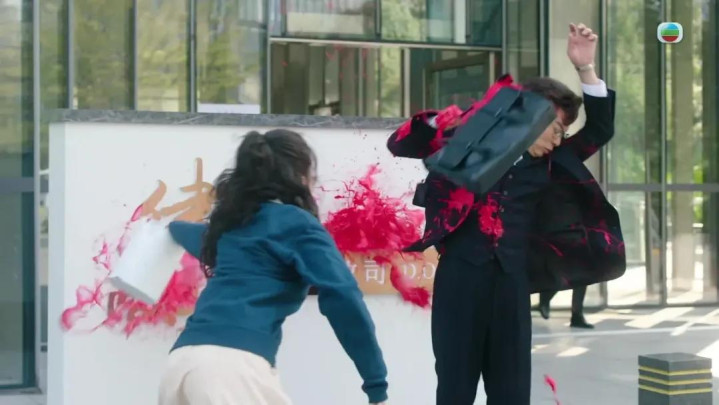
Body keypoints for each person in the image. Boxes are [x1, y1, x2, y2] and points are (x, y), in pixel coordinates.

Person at [386, 23, 624, 405]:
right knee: (454, 390)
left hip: (513, 286)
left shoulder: (552, 163)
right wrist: (443, 121)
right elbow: (401, 144)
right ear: (526, 117)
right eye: (554, 128)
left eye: (562, 132)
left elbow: (600, 128)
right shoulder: (464, 145)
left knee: (512, 393)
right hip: (459, 282)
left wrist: (585, 68)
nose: (557, 140)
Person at [158, 129, 389, 405]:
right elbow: (343, 295)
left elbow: (189, 234)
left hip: (181, 364)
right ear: (299, 176)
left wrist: (169, 228)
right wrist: (376, 383)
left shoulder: (230, 227)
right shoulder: (296, 225)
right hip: (232, 368)